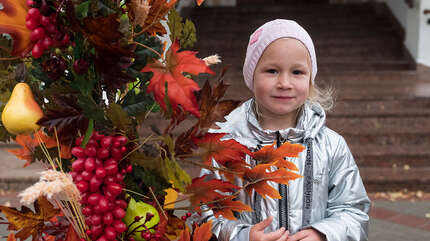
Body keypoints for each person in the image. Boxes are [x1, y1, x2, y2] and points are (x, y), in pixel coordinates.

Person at [198, 19, 370, 241]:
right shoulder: (224, 144)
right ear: (252, 75)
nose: (285, 83)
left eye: (297, 72)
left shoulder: (332, 146)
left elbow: (354, 211)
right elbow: (204, 215)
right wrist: (243, 236)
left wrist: (324, 235)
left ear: (310, 79)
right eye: (272, 70)